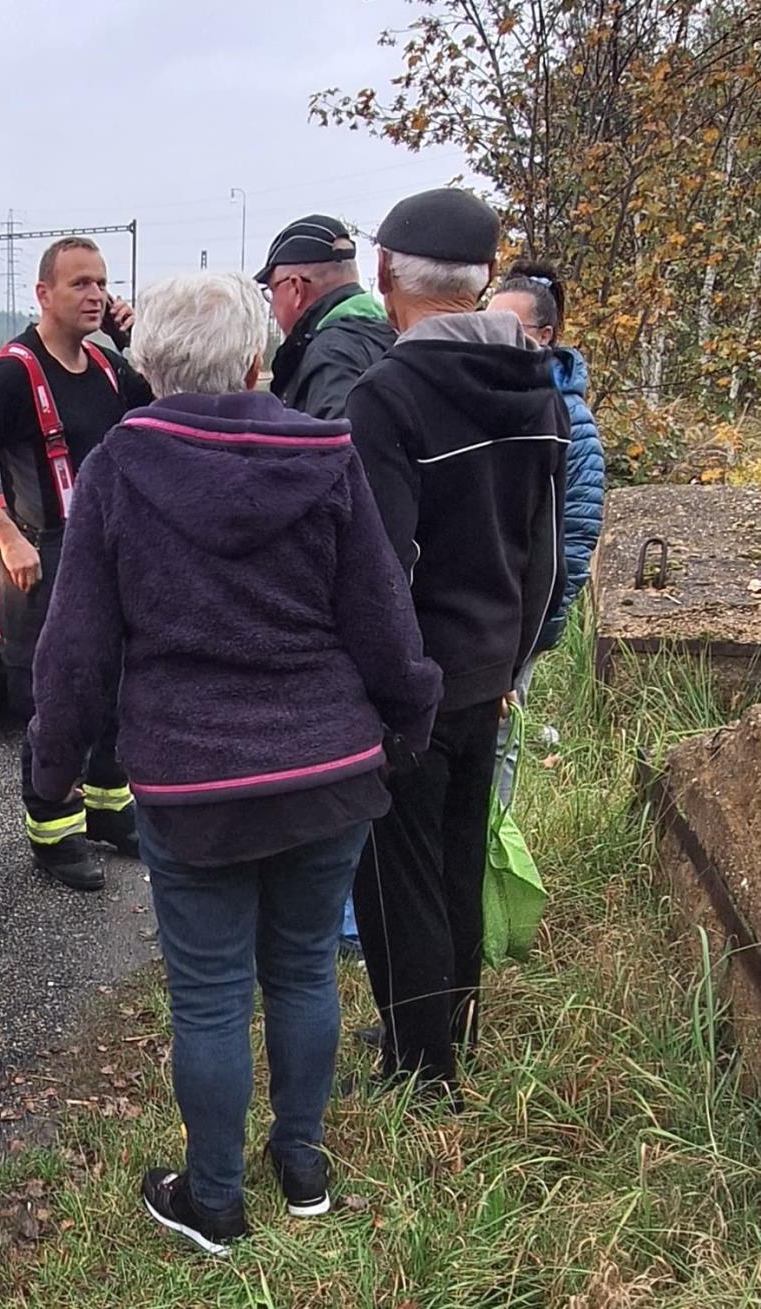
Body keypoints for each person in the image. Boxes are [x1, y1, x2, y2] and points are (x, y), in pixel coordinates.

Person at [27, 271, 442, 1252]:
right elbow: (382, 616)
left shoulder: (119, 467)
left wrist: (50, 769)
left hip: (193, 780)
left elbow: (75, 645)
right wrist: (409, 720)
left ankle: (214, 1201)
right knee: (303, 970)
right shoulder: (328, 454)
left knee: (211, 994)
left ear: (147, 366)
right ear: (257, 360)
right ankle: (302, 1168)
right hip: (327, 769)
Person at [345, 189, 569, 1098]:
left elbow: (382, 565)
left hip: (415, 679)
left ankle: (419, 1069)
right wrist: (515, 661)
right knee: (458, 857)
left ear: (385, 274)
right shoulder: (534, 385)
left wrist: (390, 688)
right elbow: (546, 552)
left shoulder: (387, 395)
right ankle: (452, 1028)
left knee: (398, 875)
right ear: (482, 279)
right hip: (489, 672)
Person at [0, 237, 154, 891]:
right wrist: (6, 536)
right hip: (42, 559)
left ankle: (109, 808)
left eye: (102, 284)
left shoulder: (109, 367)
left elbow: (164, 405)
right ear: (44, 294)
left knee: (115, 689)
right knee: (57, 701)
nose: (96, 295)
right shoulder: (15, 374)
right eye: (80, 283)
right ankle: (54, 833)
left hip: (107, 553)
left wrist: (133, 337)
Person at [258, 214, 396, 958]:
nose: (274, 310)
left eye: (273, 294)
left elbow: (332, 469)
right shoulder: (380, 333)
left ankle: (339, 920)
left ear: (296, 286)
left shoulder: (333, 351)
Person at [487, 260, 605, 806]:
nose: (498, 342)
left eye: (512, 330)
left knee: (500, 739)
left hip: (523, 618)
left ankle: (493, 841)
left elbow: (575, 537)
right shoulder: (486, 397)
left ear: (546, 336)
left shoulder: (572, 422)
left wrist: (537, 627)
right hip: (479, 611)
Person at [258, 213, 396, 422]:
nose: (272, 305)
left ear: (296, 288)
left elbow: (341, 440)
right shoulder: (394, 334)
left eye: (272, 290)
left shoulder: (330, 356)